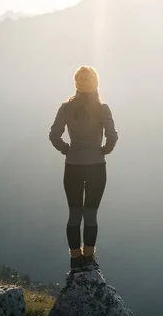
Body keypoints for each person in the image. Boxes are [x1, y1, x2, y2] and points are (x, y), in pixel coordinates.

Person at [49, 66, 118, 271]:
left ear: (76, 85)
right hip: (96, 166)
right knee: (90, 215)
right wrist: (104, 150)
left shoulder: (65, 108)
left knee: (74, 214)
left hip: (73, 167)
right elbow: (112, 135)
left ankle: (74, 260)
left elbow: (54, 135)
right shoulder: (102, 108)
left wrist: (67, 150)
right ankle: (89, 258)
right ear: (95, 84)